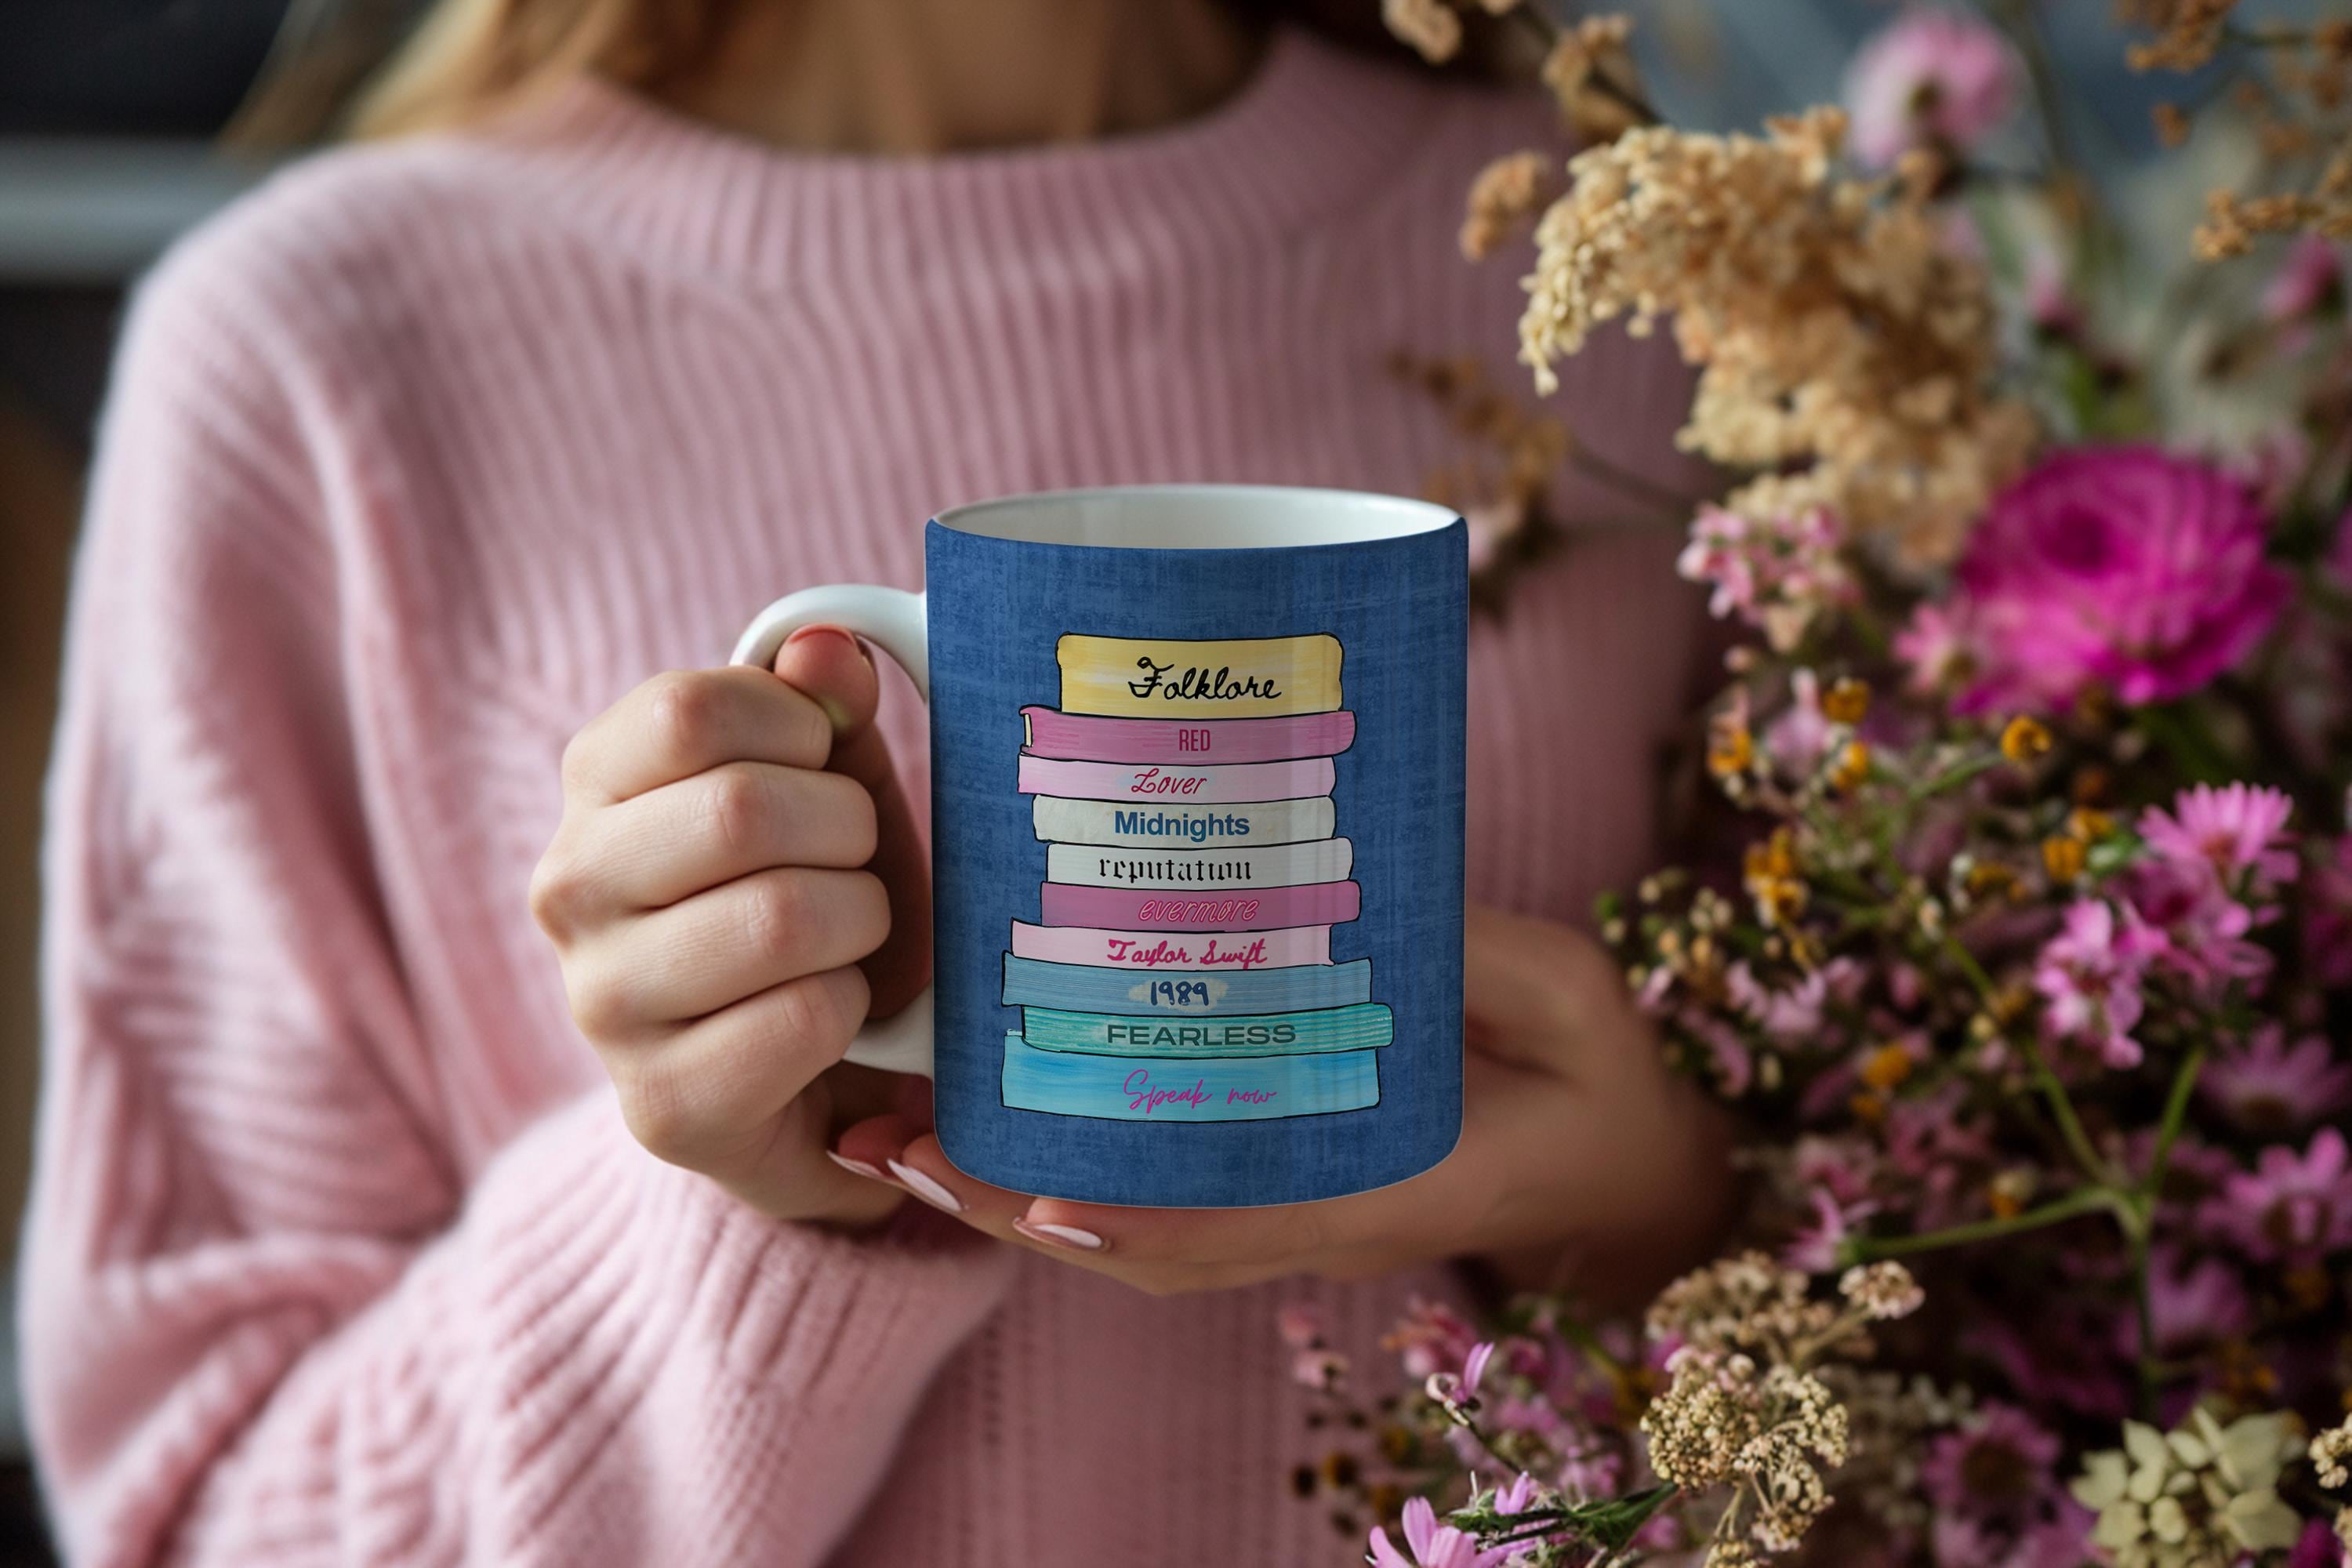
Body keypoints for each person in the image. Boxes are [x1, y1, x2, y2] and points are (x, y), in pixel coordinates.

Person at [23, 0, 1732, 1561]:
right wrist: (743, 1201)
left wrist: (1648, 1221)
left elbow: (1977, 1369)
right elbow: (196, 1513)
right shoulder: (318, 357)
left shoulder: (1642, 264)